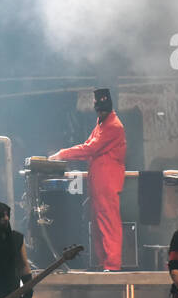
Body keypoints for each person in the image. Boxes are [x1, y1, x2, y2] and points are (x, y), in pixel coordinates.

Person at [49, 88, 126, 271]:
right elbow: (88, 148)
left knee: (108, 222)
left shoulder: (113, 126)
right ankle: (104, 262)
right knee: (99, 223)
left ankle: (112, 264)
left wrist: (61, 154)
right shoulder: (102, 124)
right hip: (99, 182)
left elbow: (89, 149)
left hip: (107, 183)